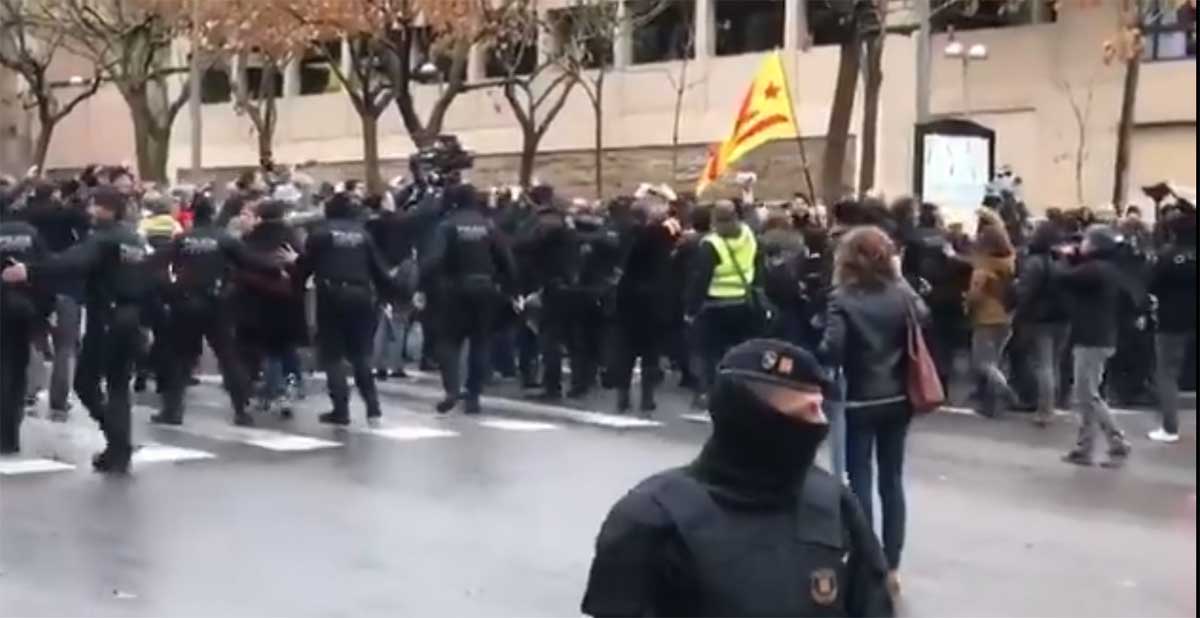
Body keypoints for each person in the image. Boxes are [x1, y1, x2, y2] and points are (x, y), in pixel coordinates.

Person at [581, 340, 893, 617]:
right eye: (805, 413)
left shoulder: (833, 504)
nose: (821, 424)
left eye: (820, 411)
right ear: (752, 418)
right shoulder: (653, 518)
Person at [3, 188, 155, 473]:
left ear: (107, 209)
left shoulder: (102, 240)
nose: (89, 211)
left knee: (86, 383)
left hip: (108, 317)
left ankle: (118, 442)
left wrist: (29, 271)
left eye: (94, 206)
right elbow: (151, 277)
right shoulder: (134, 239)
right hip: (133, 316)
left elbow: (71, 263)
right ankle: (117, 451)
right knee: (119, 385)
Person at [820, 226, 926, 594]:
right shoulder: (901, 294)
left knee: (859, 479)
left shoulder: (842, 298)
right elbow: (923, 317)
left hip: (859, 397)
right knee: (892, 480)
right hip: (899, 397)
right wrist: (900, 278)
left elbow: (832, 349)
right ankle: (893, 564)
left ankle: (868, 560)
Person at [153, 197, 283, 427]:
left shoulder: (182, 239)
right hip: (217, 303)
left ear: (193, 215)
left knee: (180, 358)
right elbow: (250, 261)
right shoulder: (224, 239)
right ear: (213, 213)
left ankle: (172, 411)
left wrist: (170, 290)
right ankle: (242, 410)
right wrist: (277, 265)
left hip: (185, 302)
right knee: (228, 357)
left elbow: (159, 264)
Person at [284, 193, 396, 426]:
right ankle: (373, 408)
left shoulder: (321, 233)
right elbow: (378, 269)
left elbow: (306, 266)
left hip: (332, 294)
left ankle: (341, 410)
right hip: (362, 294)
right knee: (361, 354)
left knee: (332, 354)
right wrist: (391, 292)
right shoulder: (362, 234)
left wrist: (294, 275)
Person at [421, 185, 518, 416]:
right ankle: (473, 395)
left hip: (454, 290)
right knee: (480, 342)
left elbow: (433, 260)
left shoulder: (447, 226)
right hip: (485, 289)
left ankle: (452, 390)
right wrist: (510, 288)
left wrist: (424, 286)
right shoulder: (489, 226)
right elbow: (507, 261)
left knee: (448, 341)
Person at [1055, 225, 1136, 468]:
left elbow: (1063, 278)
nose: (1082, 244)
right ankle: (1085, 446)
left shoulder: (1094, 270)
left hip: (1091, 339)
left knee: (1087, 394)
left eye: (1087, 241)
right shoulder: (1108, 268)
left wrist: (1063, 258)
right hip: (1100, 337)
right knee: (1087, 394)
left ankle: (1116, 440)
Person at [22, 180, 90, 421]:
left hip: (36, 283)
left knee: (34, 339)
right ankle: (59, 400)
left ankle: (29, 391)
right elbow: (86, 232)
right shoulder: (68, 215)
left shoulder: (27, 217)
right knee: (65, 345)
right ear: (55, 195)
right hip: (68, 284)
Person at [686, 200, 763, 402]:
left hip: (715, 305)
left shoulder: (712, 244)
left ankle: (709, 392)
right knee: (738, 351)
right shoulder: (748, 235)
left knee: (709, 352)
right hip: (743, 302)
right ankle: (740, 391)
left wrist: (691, 309)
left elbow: (700, 279)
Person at [610, 201, 677, 415]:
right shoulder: (662, 237)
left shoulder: (624, 235)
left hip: (628, 297)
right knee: (651, 352)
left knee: (625, 350)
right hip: (655, 299)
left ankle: (622, 397)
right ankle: (647, 398)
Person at [1, 199, 48, 455]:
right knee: (17, 372)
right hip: (25, 308)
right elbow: (45, 269)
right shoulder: (31, 234)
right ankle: (10, 437)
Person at [1015, 220, 1072, 427]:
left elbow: (1025, 293)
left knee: (1043, 366)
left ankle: (1044, 410)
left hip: (1040, 319)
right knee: (1054, 364)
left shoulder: (1035, 263)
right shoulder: (1063, 261)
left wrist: (1019, 315)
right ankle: (1052, 404)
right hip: (1063, 318)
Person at [1148, 204, 1197, 443]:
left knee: (1167, 373)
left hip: (1171, 321)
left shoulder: (1167, 256)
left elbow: (1152, 284)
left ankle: (1169, 427)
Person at [965, 213, 1018, 418]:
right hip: (1006, 316)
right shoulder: (1009, 262)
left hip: (986, 317)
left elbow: (975, 295)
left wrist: (966, 301)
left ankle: (1006, 391)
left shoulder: (983, 268)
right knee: (994, 360)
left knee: (982, 363)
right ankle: (992, 406)